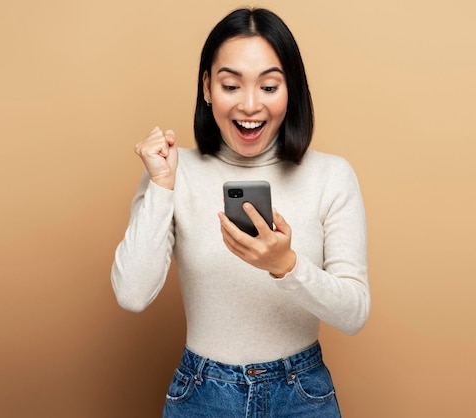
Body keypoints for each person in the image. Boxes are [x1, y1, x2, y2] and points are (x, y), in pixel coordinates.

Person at [111, 7, 370, 417]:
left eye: (269, 87)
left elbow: (354, 312)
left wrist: (285, 265)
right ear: (208, 88)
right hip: (202, 395)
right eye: (231, 85)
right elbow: (132, 294)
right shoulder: (176, 172)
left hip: (300, 395)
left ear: (292, 90)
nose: (250, 105)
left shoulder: (331, 176)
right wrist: (161, 186)